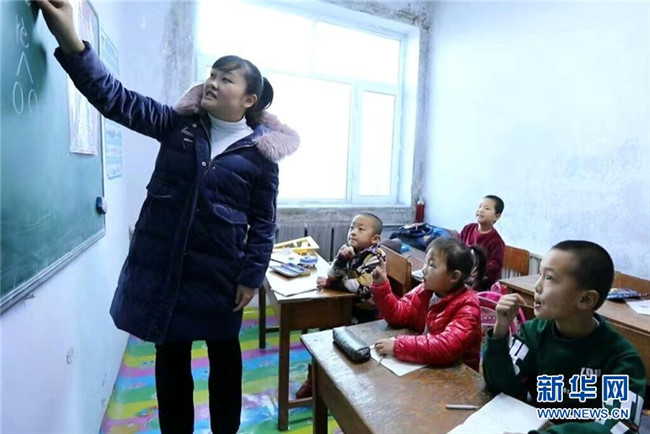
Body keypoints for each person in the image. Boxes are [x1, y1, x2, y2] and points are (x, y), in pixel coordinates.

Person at [36, 1, 299, 433]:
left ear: (248, 99)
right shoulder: (178, 127)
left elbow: (264, 223)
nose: (212, 82)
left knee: (225, 361)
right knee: (171, 362)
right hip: (168, 276)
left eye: (226, 79)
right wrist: (72, 41)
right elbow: (116, 100)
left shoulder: (260, 156)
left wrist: (251, 277)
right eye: (211, 74)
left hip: (220, 279)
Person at [482, 240, 646, 433]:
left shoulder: (620, 359)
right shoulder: (533, 333)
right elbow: (500, 385)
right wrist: (500, 330)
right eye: (540, 274)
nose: (537, 286)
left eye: (549, 277)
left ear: (585, 299)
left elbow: (617, 426)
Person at [295, 213, 386, 399]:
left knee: (342, 345)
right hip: (345, 307)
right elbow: (332, 273)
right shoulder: (348, 250)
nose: (353, 232)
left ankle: (345, 386)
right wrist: (341, 260)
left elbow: (363, 288)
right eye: (352, 227)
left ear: (375, 239)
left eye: (360, 229)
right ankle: (315, 379)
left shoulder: (376, 257)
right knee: (323, 333)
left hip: (368, 315)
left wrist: (332, 284)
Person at [372, 237, 484, 371]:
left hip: (457, 374)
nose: (424, 270)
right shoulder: (425, 291)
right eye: (425, 262)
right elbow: (397, 315)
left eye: (432, 265)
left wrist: (398, 346)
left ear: (454, 277)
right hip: (427, 364)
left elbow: (447, 347)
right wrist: (381, 286)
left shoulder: (468, 306)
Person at [459, 195, 506, 291]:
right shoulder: (468, 229)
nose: (481, 210)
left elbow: (495, 266)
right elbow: (457, 248)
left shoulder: (496, 241)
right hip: (461, 277)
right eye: (480, 206)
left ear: (496, 216)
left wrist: (479, 270)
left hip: (480, 285)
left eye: (487, 208)